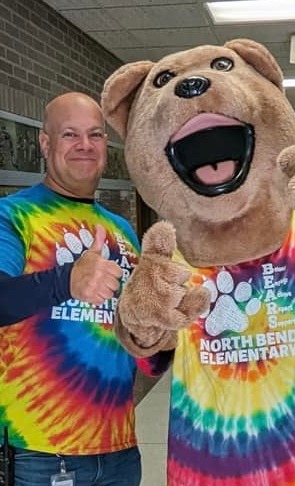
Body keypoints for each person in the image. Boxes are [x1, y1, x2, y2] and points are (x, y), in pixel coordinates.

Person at [0, 92, 170, 486]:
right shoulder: (14, 216)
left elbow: (142, 350)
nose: (85, 145)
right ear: (45, 143)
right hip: (42, 454)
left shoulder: (122, 231)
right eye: (70, 135)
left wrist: (162, 337)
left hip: (120, 449)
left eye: (95, 135)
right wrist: (66, 280)